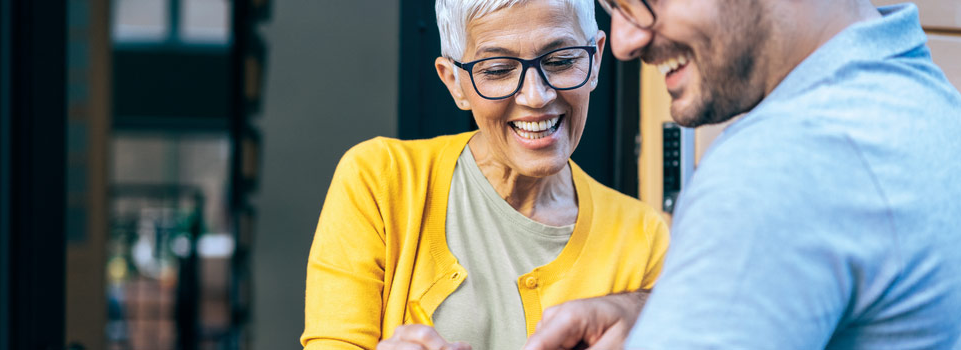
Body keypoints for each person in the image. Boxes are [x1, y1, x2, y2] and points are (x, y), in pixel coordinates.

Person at [523, 0, 961, 349]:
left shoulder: (777, 166)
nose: (623, 42)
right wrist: (670, 314)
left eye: (641, 0)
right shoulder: (924, 104)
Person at [300, 1, 670, 349]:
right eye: (497, 70)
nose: (536, 96)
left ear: (596, 59)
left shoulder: (644, 237)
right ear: (454, 83)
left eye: (560, 61)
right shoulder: (380, 180)